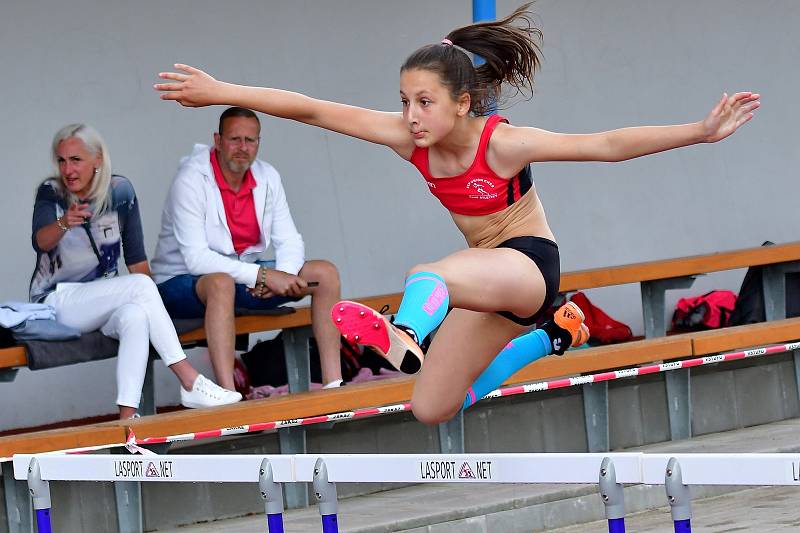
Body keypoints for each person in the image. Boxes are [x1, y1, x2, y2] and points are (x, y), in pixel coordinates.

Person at [154, 3, 759, 425]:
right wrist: (222, 90)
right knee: (431, 407)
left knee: (430, 276)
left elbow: (605, 145)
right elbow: (311, 109)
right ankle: (553, 335)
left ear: (462, 102)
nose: (411, 115)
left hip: (526, 265)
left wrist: (700, 133)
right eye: (404, 102)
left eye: (424, 102)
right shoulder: (406, 138)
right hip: (491, 285)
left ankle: (409, 332)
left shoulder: (501, 143)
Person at [30, 123, 242, 419]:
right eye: (62, 160)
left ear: (98, 160)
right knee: (140, 287)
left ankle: (128, 419)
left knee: (136, 314)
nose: (68, 169)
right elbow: (40, 242)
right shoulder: (51, 191)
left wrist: (158, 313)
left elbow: (137, 260)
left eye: (76, 159)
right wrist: (65, 222)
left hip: (101, 298)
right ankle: (189, 379)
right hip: (56, 302)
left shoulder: (120, 192)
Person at [151, 107, 344, 390]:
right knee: (220, 283)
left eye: (250, 140)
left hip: (246, 279)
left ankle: (333, 383)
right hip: (181, 284)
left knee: (325, 274)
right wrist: (261, 276)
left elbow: (289, 239)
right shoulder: (190, 180)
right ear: (217, 141)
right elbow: (196, 259)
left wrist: (284, 276)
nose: (243, 148)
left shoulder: (268, 177)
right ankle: (229, 395)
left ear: (258, 143)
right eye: (234, 139)